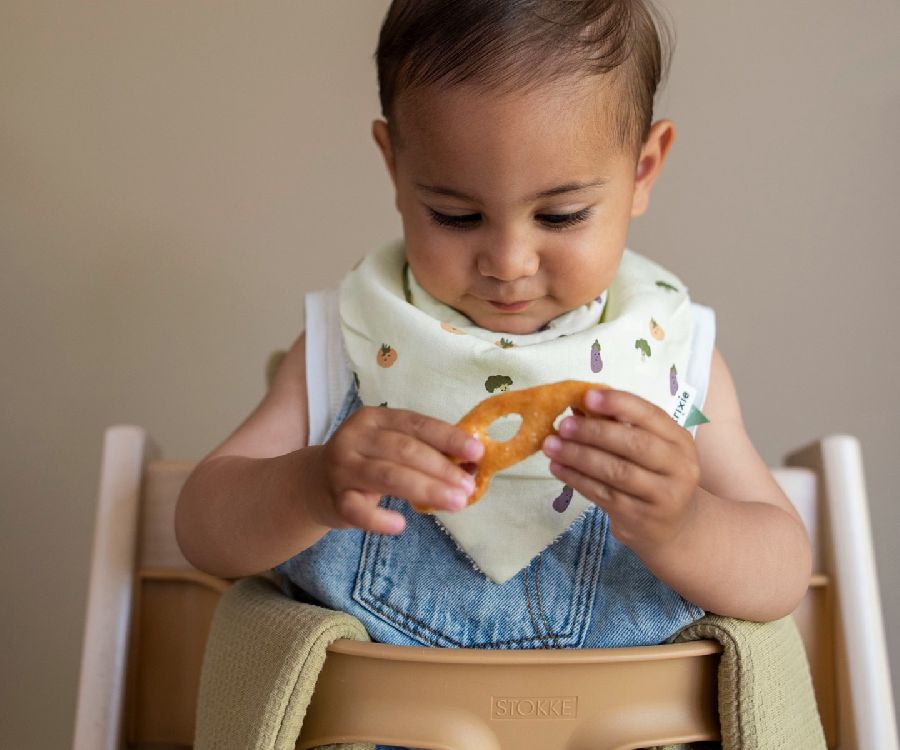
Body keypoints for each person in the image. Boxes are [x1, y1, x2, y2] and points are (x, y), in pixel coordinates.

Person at [176, 0, 812, 655]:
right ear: (395, 167)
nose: (507, 264)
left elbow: (783, 571)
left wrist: (686, 525)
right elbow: (202, 529)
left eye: (561, 216)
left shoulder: (672, 356)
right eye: (455, 215)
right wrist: (308, 487)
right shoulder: (355, 342)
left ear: (643, 171)